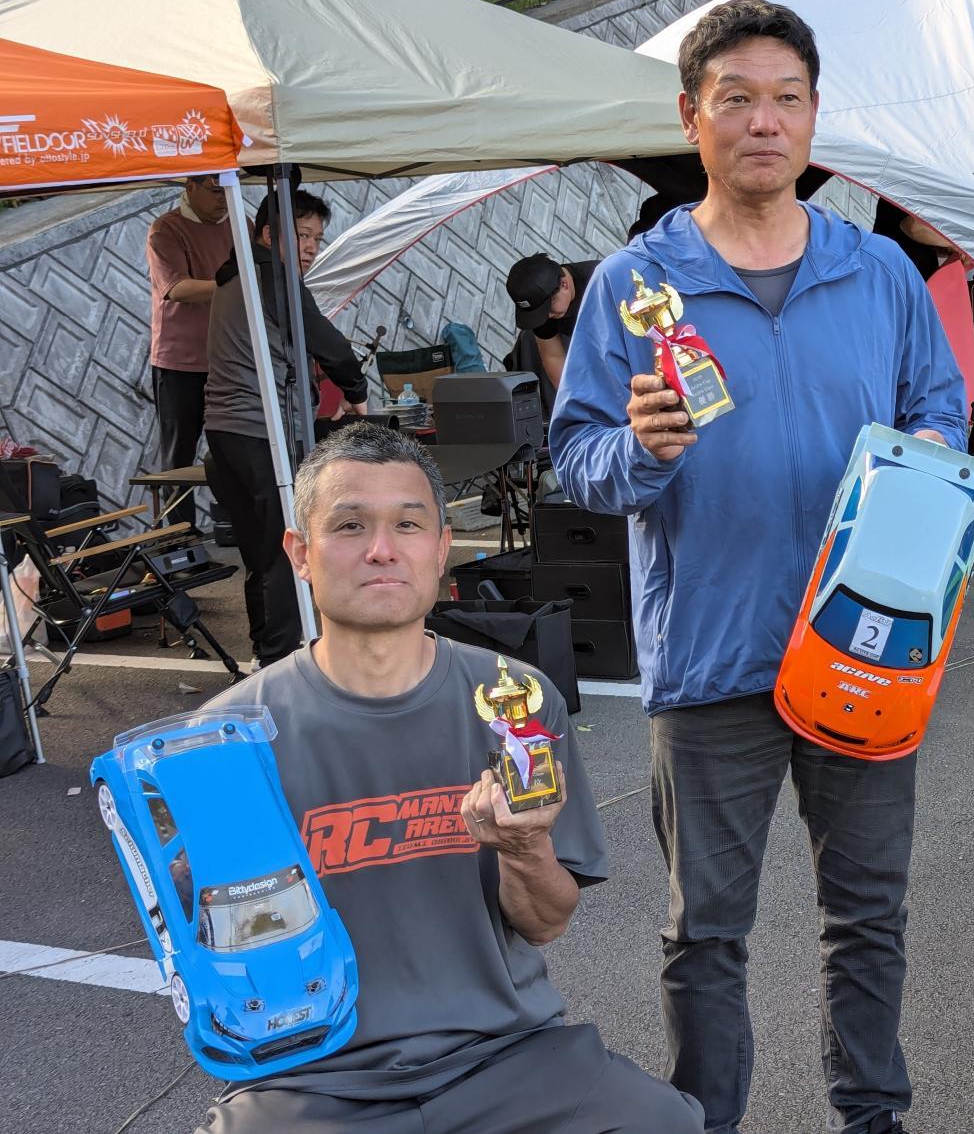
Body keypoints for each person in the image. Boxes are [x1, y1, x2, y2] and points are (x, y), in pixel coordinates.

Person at [549, 0, 966, 1134]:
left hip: (867, 643)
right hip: (711, 651)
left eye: (787, 98)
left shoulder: (878, 272)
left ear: (815, 115)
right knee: (705, 932)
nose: (763, 122)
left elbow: (938, 405)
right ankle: (705, 1120)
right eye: (735, 99)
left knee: (868, 916)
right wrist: (637, 451)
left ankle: (872, 1116)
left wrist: (927, 461)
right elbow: (576, 460)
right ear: (692, 117)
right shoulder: (635, 284)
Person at [194, 422, 704, 1134]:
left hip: (503, 1056)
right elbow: (221, 968)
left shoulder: (517, 703)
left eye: (408, 524)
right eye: (349, 525)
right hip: (310, 1079)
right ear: (300, 553)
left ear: (441, 549)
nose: (381, 549)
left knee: (664, 1123)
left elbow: (546, 923)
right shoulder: (219, 744)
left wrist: (523, 848)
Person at [204, 189, 367, 669]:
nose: (311, 247)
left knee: (259, 550)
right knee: (284, 546)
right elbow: (325, 341)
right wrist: (355, 391)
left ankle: (265, 654)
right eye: (301, 235)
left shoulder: (235, 275)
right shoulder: (273, 277)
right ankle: (278, 660)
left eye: (317, 237)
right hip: (262, 432)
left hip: (225, 432)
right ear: (267, 235)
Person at [145, 175, 233, 526]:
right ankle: (181, 532)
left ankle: (235, 523)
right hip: (179, 362)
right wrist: (235, 286)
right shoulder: (165, 230)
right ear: (190, 187)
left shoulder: (240, 224)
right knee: (179, 453)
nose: (223, 199)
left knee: (233, 447)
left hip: (229, 359)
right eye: (215, 191)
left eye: (228, 191)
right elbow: (177, 288)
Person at [502, 253, 599, 414]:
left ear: (564, 284)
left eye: (548, 309)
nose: (547, 317)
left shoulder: (601, 282)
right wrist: (580, 405)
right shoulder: (545, 306)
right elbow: (554, 358)